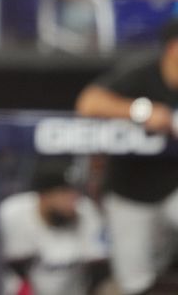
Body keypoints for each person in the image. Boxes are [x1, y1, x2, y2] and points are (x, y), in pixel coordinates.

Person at [75, 18, 178, 294]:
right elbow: (88, 102)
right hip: (129, 190)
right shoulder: (143, 73)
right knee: (134, 281)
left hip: (172, 187)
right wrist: (141, 112)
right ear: (173, 48)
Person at [0, 159, 111, 295]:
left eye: (75, 192)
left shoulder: (86, 211)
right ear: (43, 195)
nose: (72, 200)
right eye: (64, 193)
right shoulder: (12, 213)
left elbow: (100, 267)